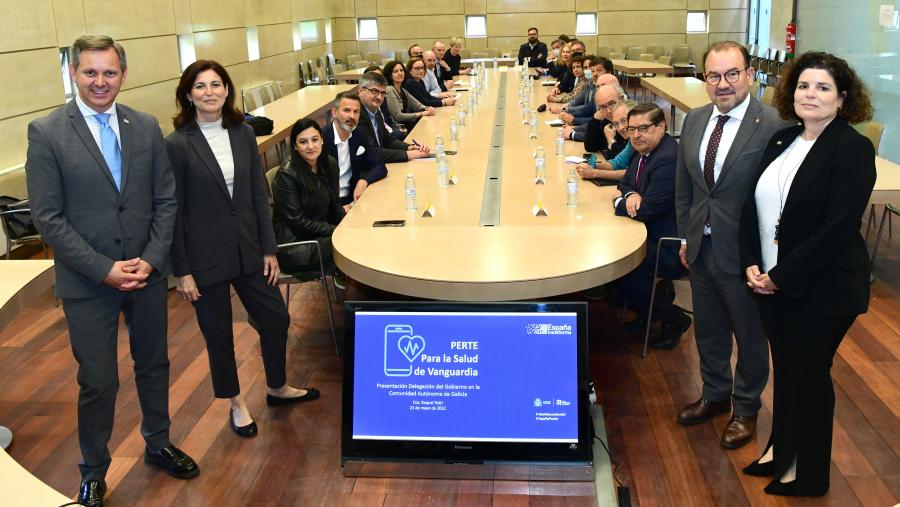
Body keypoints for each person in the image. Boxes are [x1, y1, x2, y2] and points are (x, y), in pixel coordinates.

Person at [25, 34, 198, 507]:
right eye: (90, 72)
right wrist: (104, 269)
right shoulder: (47, 133)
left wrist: (153, 257)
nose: (100, 81)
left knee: (155, 365)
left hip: (145, 274)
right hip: (88, 282)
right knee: (97, 379)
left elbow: (166, 200)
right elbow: (48, 218)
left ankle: (158, 442)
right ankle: (94, 469)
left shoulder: (144, 127)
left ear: (123, 74)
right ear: (74, 74)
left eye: (109, 72)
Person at [738, 51, 876, 497]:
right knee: (791, 373)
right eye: (803, 86)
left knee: (809, 374)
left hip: (824, 288)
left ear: (842, 99)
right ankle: (782, 452)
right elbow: (752, 207)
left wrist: (780, 276)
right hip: (773, 284)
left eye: (822, 87)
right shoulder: (784, 140)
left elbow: (837, 229)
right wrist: (752, 263)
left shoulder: (852, 148)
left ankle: (808, 472)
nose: (809, 94)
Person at [165, 59, 318, 441]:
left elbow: (255, 195)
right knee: (219, 335)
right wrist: (181, 270)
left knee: (275, 318)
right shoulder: (177, 145)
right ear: (188, 95)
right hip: (204, 257)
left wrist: (269, 248)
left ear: (227, 90)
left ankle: (277, 387)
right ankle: (236, 402)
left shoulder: (242, 133)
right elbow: (174, 211)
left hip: (249, 248)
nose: (210, 92)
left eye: (216, 84)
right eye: (200, 86)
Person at [673, 41, 787, 447]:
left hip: (745, 256)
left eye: (732, 74)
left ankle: (746, 408)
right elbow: (685, 187)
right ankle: (715, 394)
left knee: (750, 336)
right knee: (709, 329)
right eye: (714, 75)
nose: (723, 84)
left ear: (749, 75)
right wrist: (688, 236)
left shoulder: (772, 125)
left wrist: (771, 259)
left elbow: (780, 200)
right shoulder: (696, 120)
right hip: (701, 248)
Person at [612, 103, 689, 348]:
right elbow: (624, 183)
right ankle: (648, 313)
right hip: (646, 232)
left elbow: (646, 211)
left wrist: (618, 202)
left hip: (668, 243)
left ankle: (673, 318)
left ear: (661, 127)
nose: (636, 134)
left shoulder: (667, 159)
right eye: (632, 128)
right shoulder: (641, 150)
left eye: (643, 128)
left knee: (622, 269)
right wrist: (630, 195)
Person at [272, 118, 345, 275]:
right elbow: (298, 223)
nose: (311, 146)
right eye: (303, 142)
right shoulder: (287, 175)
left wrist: (347, 223)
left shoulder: (329, 164)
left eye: (315, 139)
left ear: (322, 140)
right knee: (349, 245)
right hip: (296, 246)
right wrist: (336, 230)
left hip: (318, 234)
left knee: (359, 236)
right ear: (295, 147)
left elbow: (334, 206)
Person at [322, 91, 389, 206]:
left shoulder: (359, 134)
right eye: (346, 110)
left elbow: (379, 166)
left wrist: (363, 181)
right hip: (328, 205)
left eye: (356, 112)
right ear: (334, 112)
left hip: (352, 200)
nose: (352, 116)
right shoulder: (322, 138)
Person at [357, 71, 431, 162]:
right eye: (374, 91)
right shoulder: (356, 115)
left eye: (383, 93)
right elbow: (371, 151)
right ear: (360, 91)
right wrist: (409, 154)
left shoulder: (375, 112)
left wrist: (410, 147)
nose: (379, 97)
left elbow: (387, 140)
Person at [576, 100, 637, 182]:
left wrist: (594, 173)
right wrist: (592, 165)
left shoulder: (642, 140)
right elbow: (616, 163)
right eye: (616, 123)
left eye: (624, 120)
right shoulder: (631, 141)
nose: (620, 127)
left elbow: (634, 173)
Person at [383, 60, 435, 130]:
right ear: (390, 75)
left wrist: (427, 108)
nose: (400, 73)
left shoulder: (403, 90)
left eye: (401, 70)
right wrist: (422, 113)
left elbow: (418, 105)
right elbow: (398, 116)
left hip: (407, 126)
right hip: (398, 129)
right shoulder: (389, 90)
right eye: (395, 71)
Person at [364, 65, 406, 141]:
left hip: (389, 135)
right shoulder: (362, 109)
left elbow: (389, 121)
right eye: (374, 78)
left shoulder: (383, 98)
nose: (377, 81)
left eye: (380, 78)